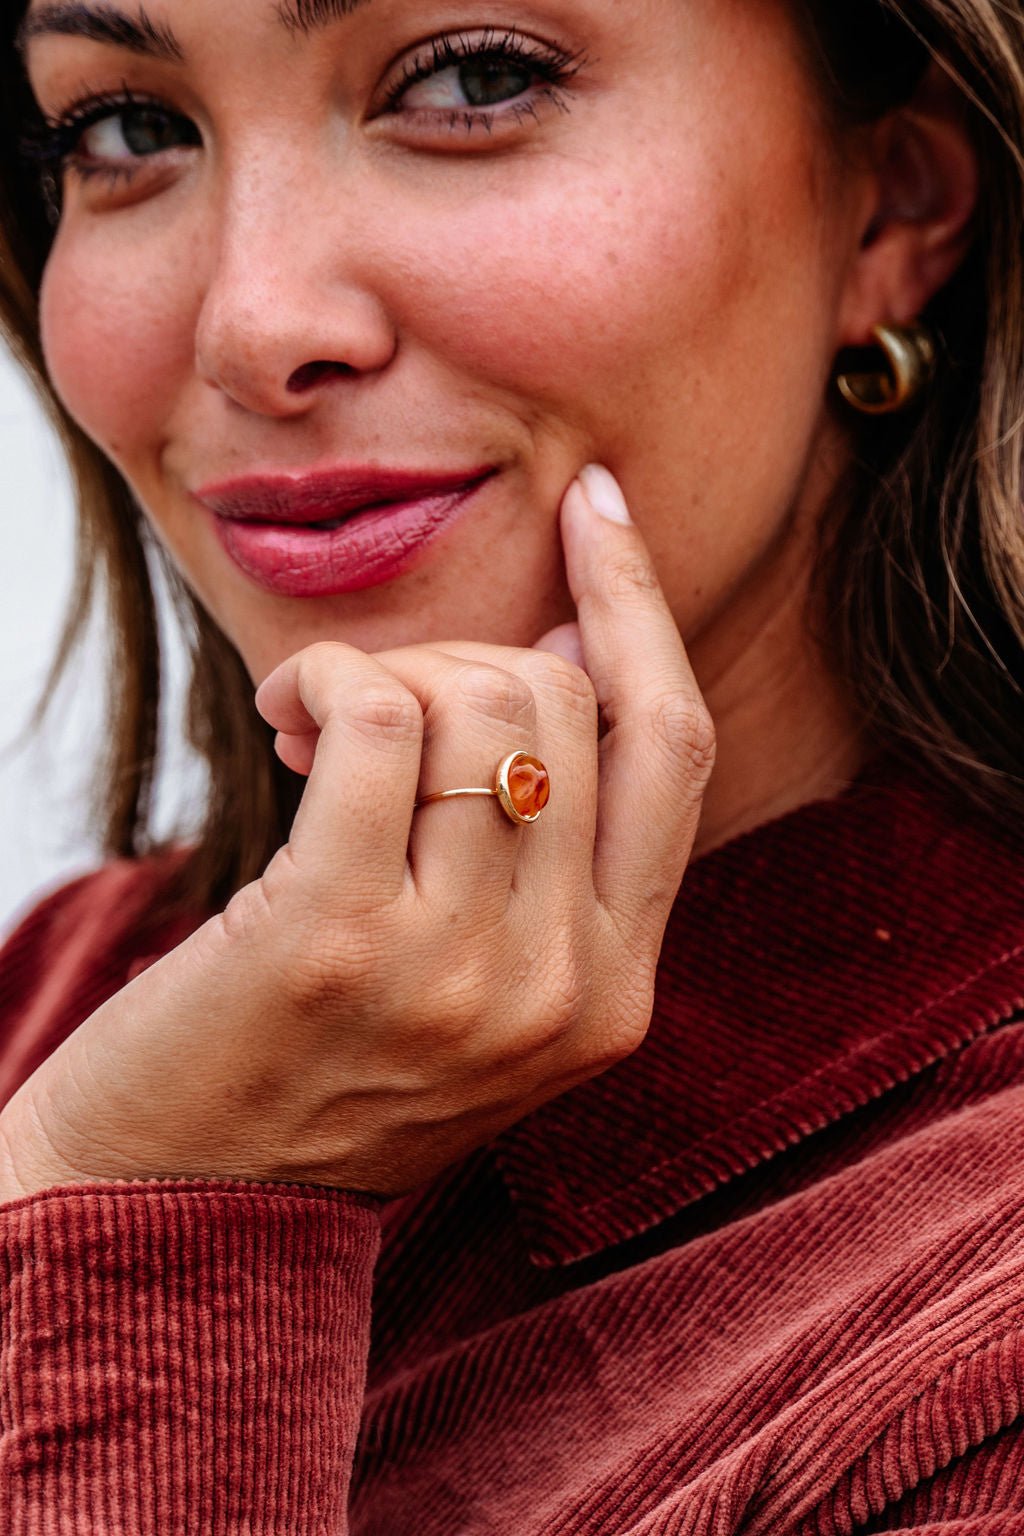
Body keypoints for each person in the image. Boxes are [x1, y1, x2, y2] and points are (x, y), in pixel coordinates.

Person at [0, 0, 1022, 1528]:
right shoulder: (65, 997)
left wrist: (170, 1226)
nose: (254, 326)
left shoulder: (974, 1344)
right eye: (130, 131)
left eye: (473, 82)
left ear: (894, 202)